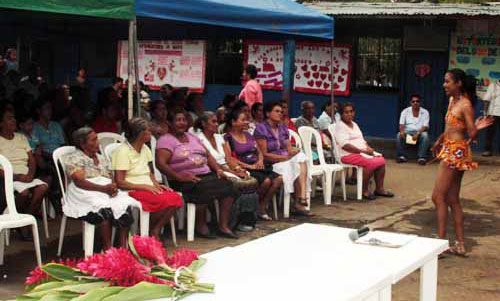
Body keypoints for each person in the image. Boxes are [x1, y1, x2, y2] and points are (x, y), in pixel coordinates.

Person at [431, 69, 493, 257]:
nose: (444, 85)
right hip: (450, 148)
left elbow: (471, 131)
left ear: (458, 83)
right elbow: (452, 126)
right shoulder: (452, 101)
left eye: (448, 81)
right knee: (451, 199)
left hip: (456, 152)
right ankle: (459, 244)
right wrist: (440, 139)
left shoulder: (465, 104)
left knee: (438, 197)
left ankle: (441, 244)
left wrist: (477, 127)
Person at [155, 110, 239, 239]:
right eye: (178, 120)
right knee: (204, 188)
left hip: (204, 173)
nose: (182, 123)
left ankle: (223, 226)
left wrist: (218, 170)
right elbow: (160, 164)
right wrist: (180, 177)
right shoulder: (165, 140)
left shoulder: (192, 137)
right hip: (182, 179)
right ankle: (201, 225)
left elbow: (208, 155)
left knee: (229, 185)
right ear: (169, 123)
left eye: (184, 119)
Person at [63, 127, 136, 249]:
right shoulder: (74, 158)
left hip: (103, 189)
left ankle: (123, 248)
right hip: (84, 192)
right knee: (104, 211)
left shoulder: (101, 158)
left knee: (124, 205)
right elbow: (80, 182)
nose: (98, 143)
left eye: (97, 139)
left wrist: (113, 187)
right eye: (93, 140)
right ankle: (108, 249)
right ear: (82, 144)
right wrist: (103, 189)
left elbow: (110, 176)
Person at [112, 118, 183, 240]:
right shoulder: (122, 151)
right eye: (148, 132)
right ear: (140, 134)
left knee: (176, 198)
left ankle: (155, 228)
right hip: (132, 189)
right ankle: (150, 229)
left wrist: (156, 184)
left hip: (147, 186)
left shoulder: (145, 148)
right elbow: (120, 182)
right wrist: (144, 186)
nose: (151, 134)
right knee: (167, 200)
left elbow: (150, 172)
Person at [195, 112, 259, 231]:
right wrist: (233, 173)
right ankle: (231, 222)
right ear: (203, 124)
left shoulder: (219, 137)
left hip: (226, 167)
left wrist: (238, 169)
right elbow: (211, 161)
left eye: (217, 121)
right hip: (213, 169)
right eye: (213, 122)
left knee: (250, 180)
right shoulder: (198, 139)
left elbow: (228, 158)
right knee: (236, 183)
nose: (216, 124)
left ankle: (245, 219)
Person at [254, 101, 313, 216]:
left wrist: (294, 151)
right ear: (267, 114)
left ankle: (301, 197)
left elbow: (289, 149)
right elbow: (265, 154)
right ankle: (299, 202)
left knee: (301, 158)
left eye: (281, 112)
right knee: (295, 164)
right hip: (271, 161)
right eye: (276, 111)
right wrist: (285, 157)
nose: (280, 114)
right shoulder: (261, 129)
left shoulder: (282, 128)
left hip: (286, 158)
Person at [224, 108, 283, 221]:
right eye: (243, 120)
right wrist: (249, 166)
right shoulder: (228, 137)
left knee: (278, 179)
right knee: (266, 181)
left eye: (247, 120)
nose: (247, 122)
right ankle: (253, 207)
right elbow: (229, 158)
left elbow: (259, 150)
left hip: (258, 165)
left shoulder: (248, 135)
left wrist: (260, 161)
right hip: (244, 167)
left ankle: (261, 206)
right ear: (233, 122)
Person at [0, 105, 48, 239]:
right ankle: (19, 222)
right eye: (9, 119)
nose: (14, 121)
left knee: (43, 188)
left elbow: (31, 159)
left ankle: (24, 223)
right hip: (9, 177)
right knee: (24, 193)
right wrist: (16, 177)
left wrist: (30, 175)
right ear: (1, 123)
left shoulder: (21, 137)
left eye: (13, 118)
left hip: (26, 176)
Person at [335, 103, 394, 200]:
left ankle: (379, 189)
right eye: (346, 112)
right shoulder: (340, 126)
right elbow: (345, 145)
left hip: (361, 152)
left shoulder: (354, 124)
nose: (349, 114)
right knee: (370, 163)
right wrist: (362, 151)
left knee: (381, 160)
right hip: (347, 154)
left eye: (351, 111)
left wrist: (369, 148)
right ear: (341, 114)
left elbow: (362, 140)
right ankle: (364, 190)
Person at [396, 94, 430, 165]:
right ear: (410, 103)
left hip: (420, 133)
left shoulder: (425, 112)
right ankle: (401, 156)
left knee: (425, 135)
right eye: (413, 101)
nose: (415, 103)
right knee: (399, 135)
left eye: (417, 101)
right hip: (408, 132)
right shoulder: (405, 111)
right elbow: (401, 124)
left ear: (420, 103)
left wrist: (417, 134)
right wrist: (402, 132)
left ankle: (421, 158)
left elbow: (425, 126)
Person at [482, 80, 500, 156]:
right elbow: (486, 100)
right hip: (493, 113)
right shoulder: (493, 86)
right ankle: (487, 150)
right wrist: (485, 113)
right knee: (490, 133)